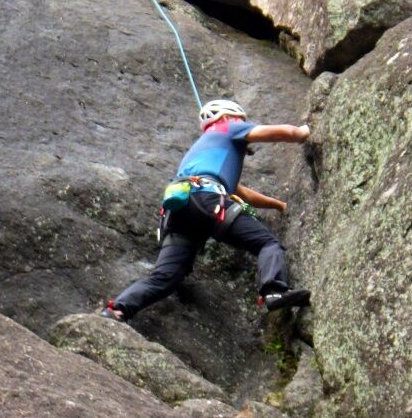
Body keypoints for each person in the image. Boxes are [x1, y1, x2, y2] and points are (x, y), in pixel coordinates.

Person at [102, 99, 310, 322]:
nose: (243, 125)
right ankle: (273, 291)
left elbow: (243, 194)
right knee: (267, 243)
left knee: (166, 276)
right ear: (228, 116)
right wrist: (303, 132)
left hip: (178, 209)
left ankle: (117, 309)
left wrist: (279, 205)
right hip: (207, 200)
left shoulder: (203, 152)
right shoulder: (227, 127)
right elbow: (279, 132)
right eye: (241, 120)